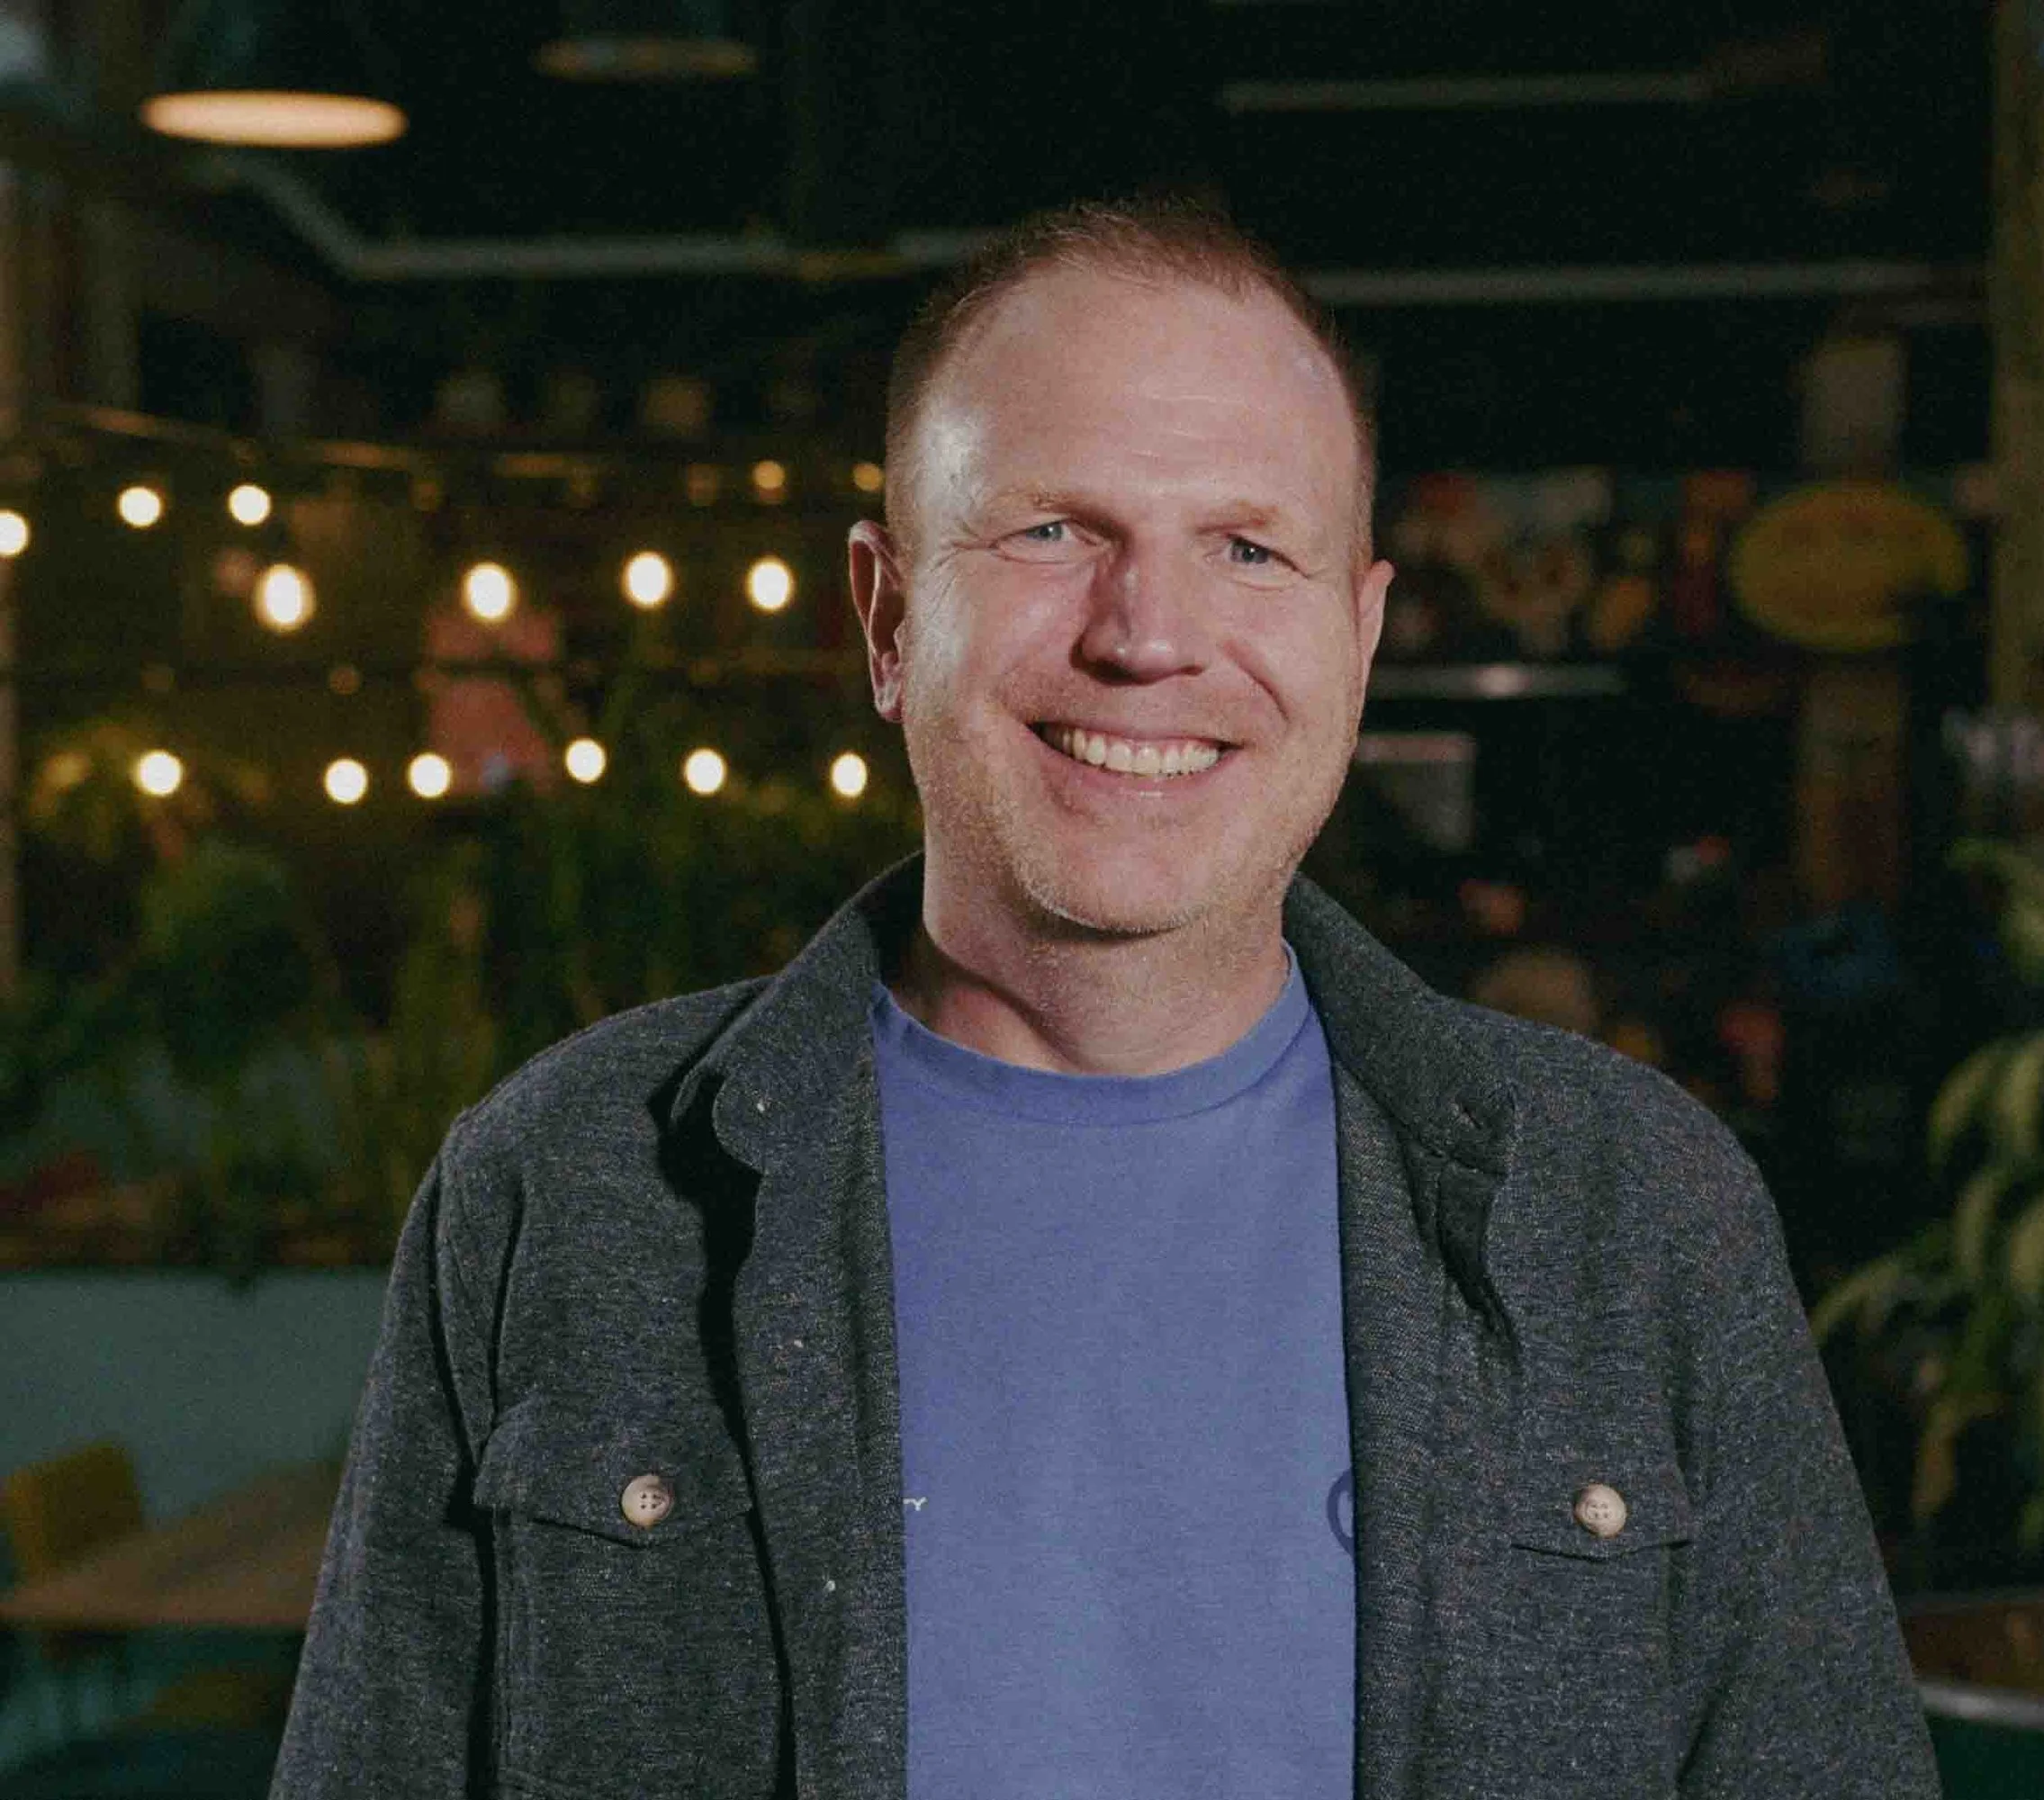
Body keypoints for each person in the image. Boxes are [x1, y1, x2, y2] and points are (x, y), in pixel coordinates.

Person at [274, 201, 1939, 1798]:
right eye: (1055, 531)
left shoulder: (1634, 1215)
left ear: (1359, 641)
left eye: (1248, 546)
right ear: (887, 614)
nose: (1150, 636)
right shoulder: (568, 1195)